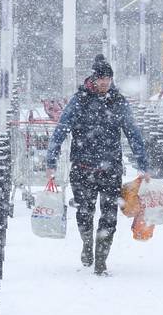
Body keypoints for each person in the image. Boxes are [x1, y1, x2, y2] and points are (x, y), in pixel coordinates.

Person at [45, 54, 150, 275]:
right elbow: (61, 130)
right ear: (94, 78)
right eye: (101, 79)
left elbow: (133, 133)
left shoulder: (117, 101)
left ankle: (101, 260)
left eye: (108, 79)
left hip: (110, 168)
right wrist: (51, 160)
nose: (104, 83)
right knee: (85, 212)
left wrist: (142, 163)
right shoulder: (79, 100)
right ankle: (87, 245)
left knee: (109, 215)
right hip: (82, 168)